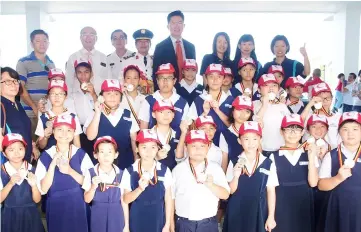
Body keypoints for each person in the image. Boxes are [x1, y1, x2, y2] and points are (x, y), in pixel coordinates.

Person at [35, 115, 94, 232]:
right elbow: (43, 189)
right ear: (53, 131)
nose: (64, 133)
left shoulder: (81, 154)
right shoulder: (46, 155)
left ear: (73, 133)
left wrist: (69, 171)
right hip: (56, 205)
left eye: (69, 130)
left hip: (77, 204)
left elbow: (90, 184)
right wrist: (52, 166)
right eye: (60, 129)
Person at [223, 121, 278, 232]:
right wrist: (236, 176)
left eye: (255, 139)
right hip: (237, 210)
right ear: (239, 141)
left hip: (259, 210)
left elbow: (271, 190)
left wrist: (271, 216)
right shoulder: (234, 162)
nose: (251, 143)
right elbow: (230, 191)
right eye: (246, 139)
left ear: (260, 140)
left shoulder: (268, 162)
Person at [172, 130, 230, 232]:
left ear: (208, 147)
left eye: (202, 146)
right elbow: (171, 198)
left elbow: (225, 195)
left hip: (208, 223)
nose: (198, 149)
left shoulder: (215, 168)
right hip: (184, 223)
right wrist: (171, 223)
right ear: (186, 147)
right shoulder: (178, 170)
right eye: (193, 146)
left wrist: (212, 185)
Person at [270, 114, 319, 232]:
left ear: (303, 132)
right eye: (288, 129)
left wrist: (311, 158)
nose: (293, 133)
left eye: (297, 129)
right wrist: (271, 215)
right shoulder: (274, 156)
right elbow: (271, 188)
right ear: (281, 132)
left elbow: (313, 183)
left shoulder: (309, 153)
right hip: (282, 204)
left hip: (304, 203)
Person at [121, 129, 173, 232]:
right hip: (137, 218)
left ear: (158, 149)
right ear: (137, 149)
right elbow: (126, 199)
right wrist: (139, 189)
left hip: (158, 218)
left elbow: (168, 199)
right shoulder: (130, 171)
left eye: (153, 147)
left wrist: (167, 225)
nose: (148, 152)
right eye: (144, 147)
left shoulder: (165, 170)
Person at [318, 111, 361, 232]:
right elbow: (321, 185)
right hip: (338, 207)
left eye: (355, 129)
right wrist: (338, 178)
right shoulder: (331, 156)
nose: (350, 133)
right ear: (339, 132)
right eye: (345, 129)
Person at [84, 79, 139, 169]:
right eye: (108, 94)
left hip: (125, 162)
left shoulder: (127, 114)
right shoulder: (95, 113)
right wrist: (98, 113)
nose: (112, 97)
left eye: (116, 94)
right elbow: (90, 137)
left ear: (120, 98)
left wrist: (136, 157)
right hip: (102, 164)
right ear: (101, 97)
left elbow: (134, 139)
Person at [83, 136, 129, 232]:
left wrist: (126, 225)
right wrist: (93, 187)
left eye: (110, 152)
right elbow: (87, 200)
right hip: (97, 214)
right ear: (95, 155)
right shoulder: (91, 173)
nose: (106, 156)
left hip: (117, 214)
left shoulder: (122, 173)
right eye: (102, 152)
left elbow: (124, 201)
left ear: (116, 154)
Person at [0, 133, 45, 232]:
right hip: (9, 215)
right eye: (11, 150)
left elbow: (37, 200)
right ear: (4, 153)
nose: (16, 153)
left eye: (20, 149)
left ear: (25, 150)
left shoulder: (31, 169)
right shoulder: (2, 171)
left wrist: (34, 186)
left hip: (30, 214)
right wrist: (10, 183)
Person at [16, 29, 55, 134]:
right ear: (32, 44)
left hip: (46, 113)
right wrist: (34, 107)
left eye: (45, 41)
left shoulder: (51, 64)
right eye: (38, 41)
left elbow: (52, 88)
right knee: (31, 146)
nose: (42, 44)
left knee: (44, 145)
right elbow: (20, 88)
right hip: (29, 114)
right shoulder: (23, 62)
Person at [139, 63, 189, 137]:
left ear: (174, 81)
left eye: (169, 78)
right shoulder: (148, 101)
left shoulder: (183, 103)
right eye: (162, 78)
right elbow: (143, 129)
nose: (165, 82)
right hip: (153, 146)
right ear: (157, 81)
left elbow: (186, 132)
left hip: (177, 146)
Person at [153, 10, 196, 90]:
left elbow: (193, 70)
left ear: (184, 25)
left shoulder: (191, 47)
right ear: (168, 26)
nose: (177, 26)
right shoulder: (160, 47)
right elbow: (155, 73)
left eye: (179, 23)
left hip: (188, 90)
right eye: (173, 23)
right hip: (168, 91)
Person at [35, 80, 82, 150]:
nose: (57, 97)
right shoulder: (43, 117)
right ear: (48, 96)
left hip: (68, 157)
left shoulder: (72, 117)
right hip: (49, 157)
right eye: (53, 93)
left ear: (65, 96)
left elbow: (77, 144)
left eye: (60, 94)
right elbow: (41, 146)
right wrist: (45, 137)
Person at [189, 64, 234, 133]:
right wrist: (204, 113)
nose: (215, 80)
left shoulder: (231, 100)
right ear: (206, 79)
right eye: (211, 76)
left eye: (219, 77)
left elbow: (234, 127)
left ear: (223, 79)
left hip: (226, 142)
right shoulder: (198, 100)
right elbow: (191, 128)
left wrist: (218, 111)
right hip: (204, 142)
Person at [1, 67, 33, 162]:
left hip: (24, 162)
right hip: (12, 164)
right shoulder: (1, 105)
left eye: (15, 81)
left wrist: (32, 147)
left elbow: (23, 130)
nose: (13, 84)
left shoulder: (17, 104)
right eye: (7, 81)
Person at [254, 74, 290, 156]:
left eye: (274, 85)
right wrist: (264, 105)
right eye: (266, 85)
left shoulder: (283, 106)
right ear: (259, 89)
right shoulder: (254, 105)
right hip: (263, 150)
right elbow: (255, 125)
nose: (271, 88)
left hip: (282, 150)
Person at [66, 26, 108, 95]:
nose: (88, 38)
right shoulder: (73, 57)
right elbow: (68, 81)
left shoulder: (103, 57)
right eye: (85, 35)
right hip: (78, 98)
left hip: (99, 97)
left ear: (96, 38)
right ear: (80, 38)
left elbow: (108, 78)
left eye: (91, 35)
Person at [301, 82, 342, 150]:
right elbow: (300, 122)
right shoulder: (309, 115)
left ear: (332, 98)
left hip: (332, 154)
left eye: (328, 98)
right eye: (321, 99)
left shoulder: (337, 117)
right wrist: (310, 105)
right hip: (311, 153)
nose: (325, 101)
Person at [118, 29, 154, 94]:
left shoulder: (155, 60)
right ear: (135, 44)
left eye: (146, 41)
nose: (143, 44)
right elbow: (121, 81)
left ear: (150, 44)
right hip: (134, 97)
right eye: (140, 41)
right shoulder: (127, 61)